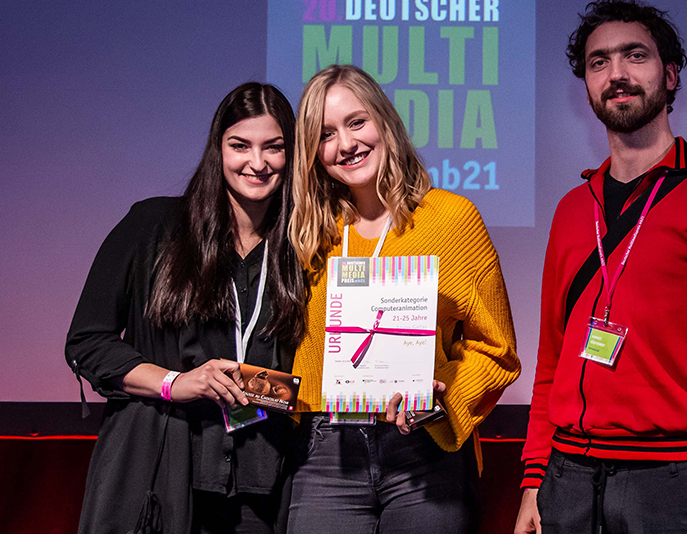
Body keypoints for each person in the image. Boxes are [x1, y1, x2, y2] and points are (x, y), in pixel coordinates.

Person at [514, 2, 687, 533]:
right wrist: (533, 480)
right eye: (598, 63)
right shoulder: (573, 209)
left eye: (634, 56)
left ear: (669, 74)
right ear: (587, 87)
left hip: (678, 482)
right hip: (566, 481)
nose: (616, 73)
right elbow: (550, 363)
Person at [287, 64, 520, 533]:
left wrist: (443, 397)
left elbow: (497, 351)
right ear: (312, 152)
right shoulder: (308, 233)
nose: (346, 144)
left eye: (357, 122)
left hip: (423, 448)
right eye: (325, 133)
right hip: (325, 453)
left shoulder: (452, 220)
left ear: (385, 122)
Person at [65, 82, 306, 534]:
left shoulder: (301, 247)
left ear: (291, 156)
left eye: (274, 147)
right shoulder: (152, 226)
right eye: (240, 146)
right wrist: (176, 382)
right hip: (161, 473)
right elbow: (86, 342)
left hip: (267, 484)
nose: (257, 163)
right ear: (218, 150)